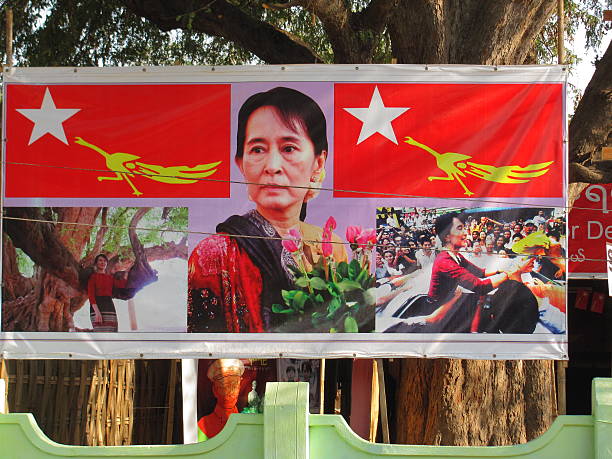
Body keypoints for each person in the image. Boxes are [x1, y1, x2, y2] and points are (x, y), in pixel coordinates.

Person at [188, 87, 347, 333]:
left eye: (289, 148)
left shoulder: (331, 247)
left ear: (318, 162)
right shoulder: (214, 254)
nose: (272, 166)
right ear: (241, 163)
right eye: (258, 149)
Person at [385, 212, 535, 333]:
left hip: (451, 301)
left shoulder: (455, 255)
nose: (465, 233)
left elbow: (479, 272)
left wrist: (500, 270)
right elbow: (480, 286)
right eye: (459, 229)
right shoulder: (445, 261)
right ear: (446, 236)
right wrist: (511, 272)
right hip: (437, 309)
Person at [87, 254, 127, 332]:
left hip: (109, 307)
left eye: (105, 261)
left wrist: (126, 274)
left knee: (112, 333)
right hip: (97, 307)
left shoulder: (110, 278)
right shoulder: (93, 277)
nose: (103, 262)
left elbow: (121, 285)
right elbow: (91, 295)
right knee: (100, 333)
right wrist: (97, 312)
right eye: (100, 260)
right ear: (96, 263)